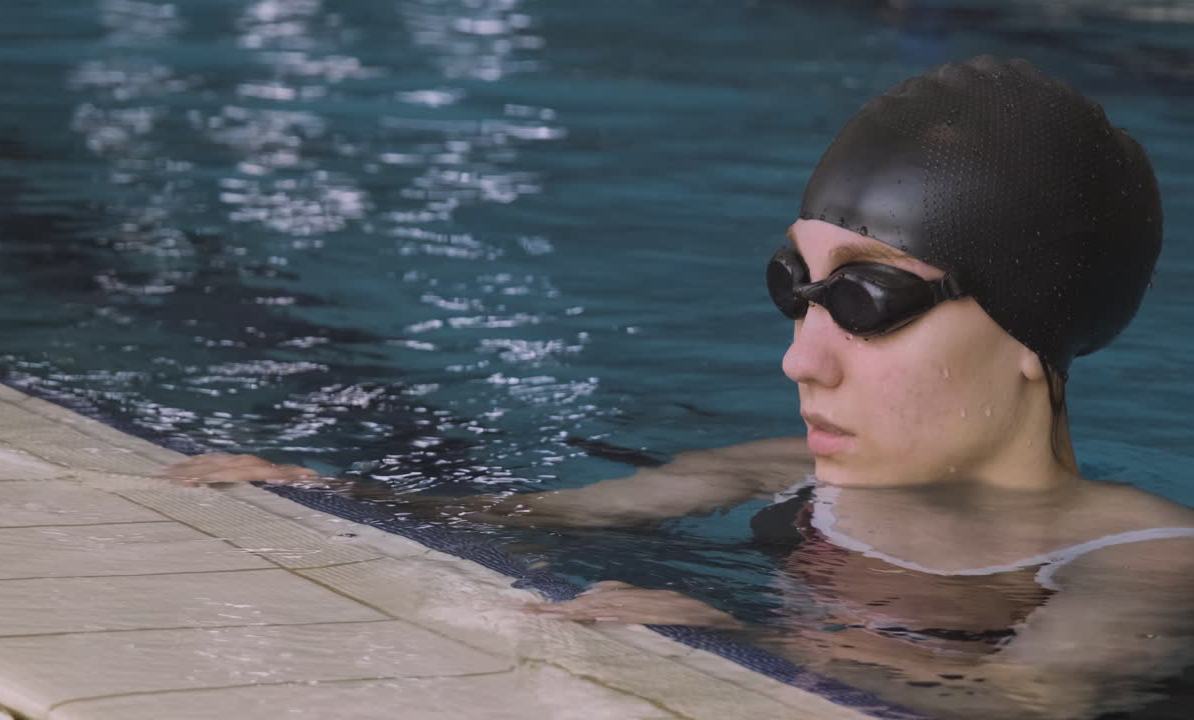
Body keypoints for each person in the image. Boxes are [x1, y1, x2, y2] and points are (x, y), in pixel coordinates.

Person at [165, 56, 1194, 718]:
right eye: (795, 289)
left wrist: (731, 633)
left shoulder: (1140, 558)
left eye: (869, 303)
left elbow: (1027, 696)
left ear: (1029, 337)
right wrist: (329, 494)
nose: (801, 358)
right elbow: (541, 517)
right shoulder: (782, 474)